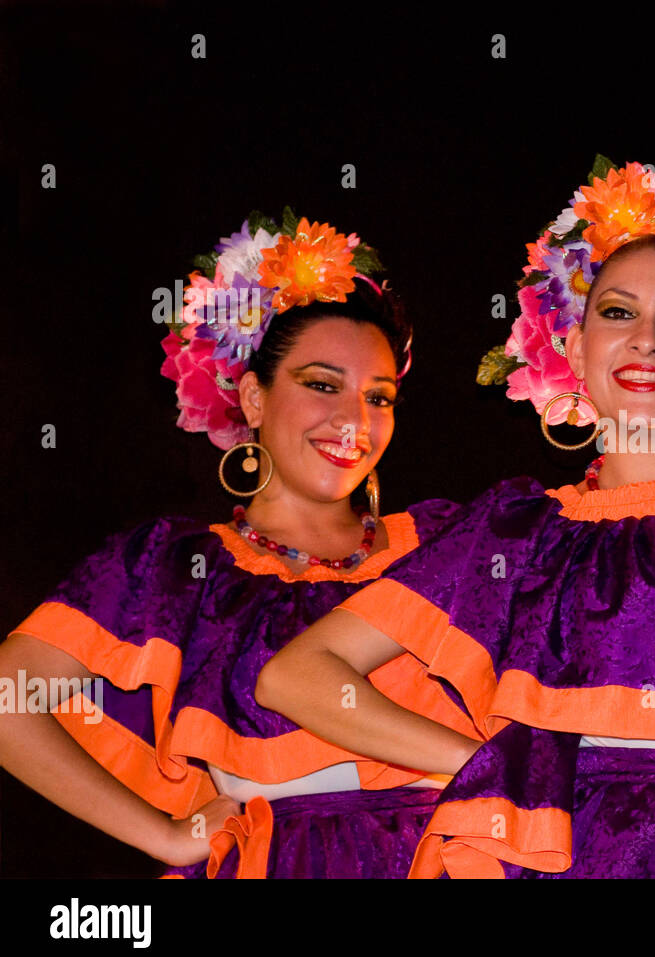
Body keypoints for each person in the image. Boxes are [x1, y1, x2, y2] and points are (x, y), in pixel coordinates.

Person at [257, 159, 655, 877]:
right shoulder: (515, 532)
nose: (646, 340)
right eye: (618, 312)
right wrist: (494, 769)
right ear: (574, 349)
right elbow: (297, 675)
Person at [0, 210, 478, 878]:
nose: (354, 420)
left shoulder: (451, 543)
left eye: (380, 396)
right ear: (254, 398)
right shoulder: (175, 570)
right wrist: (163, 836)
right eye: (321, 385)